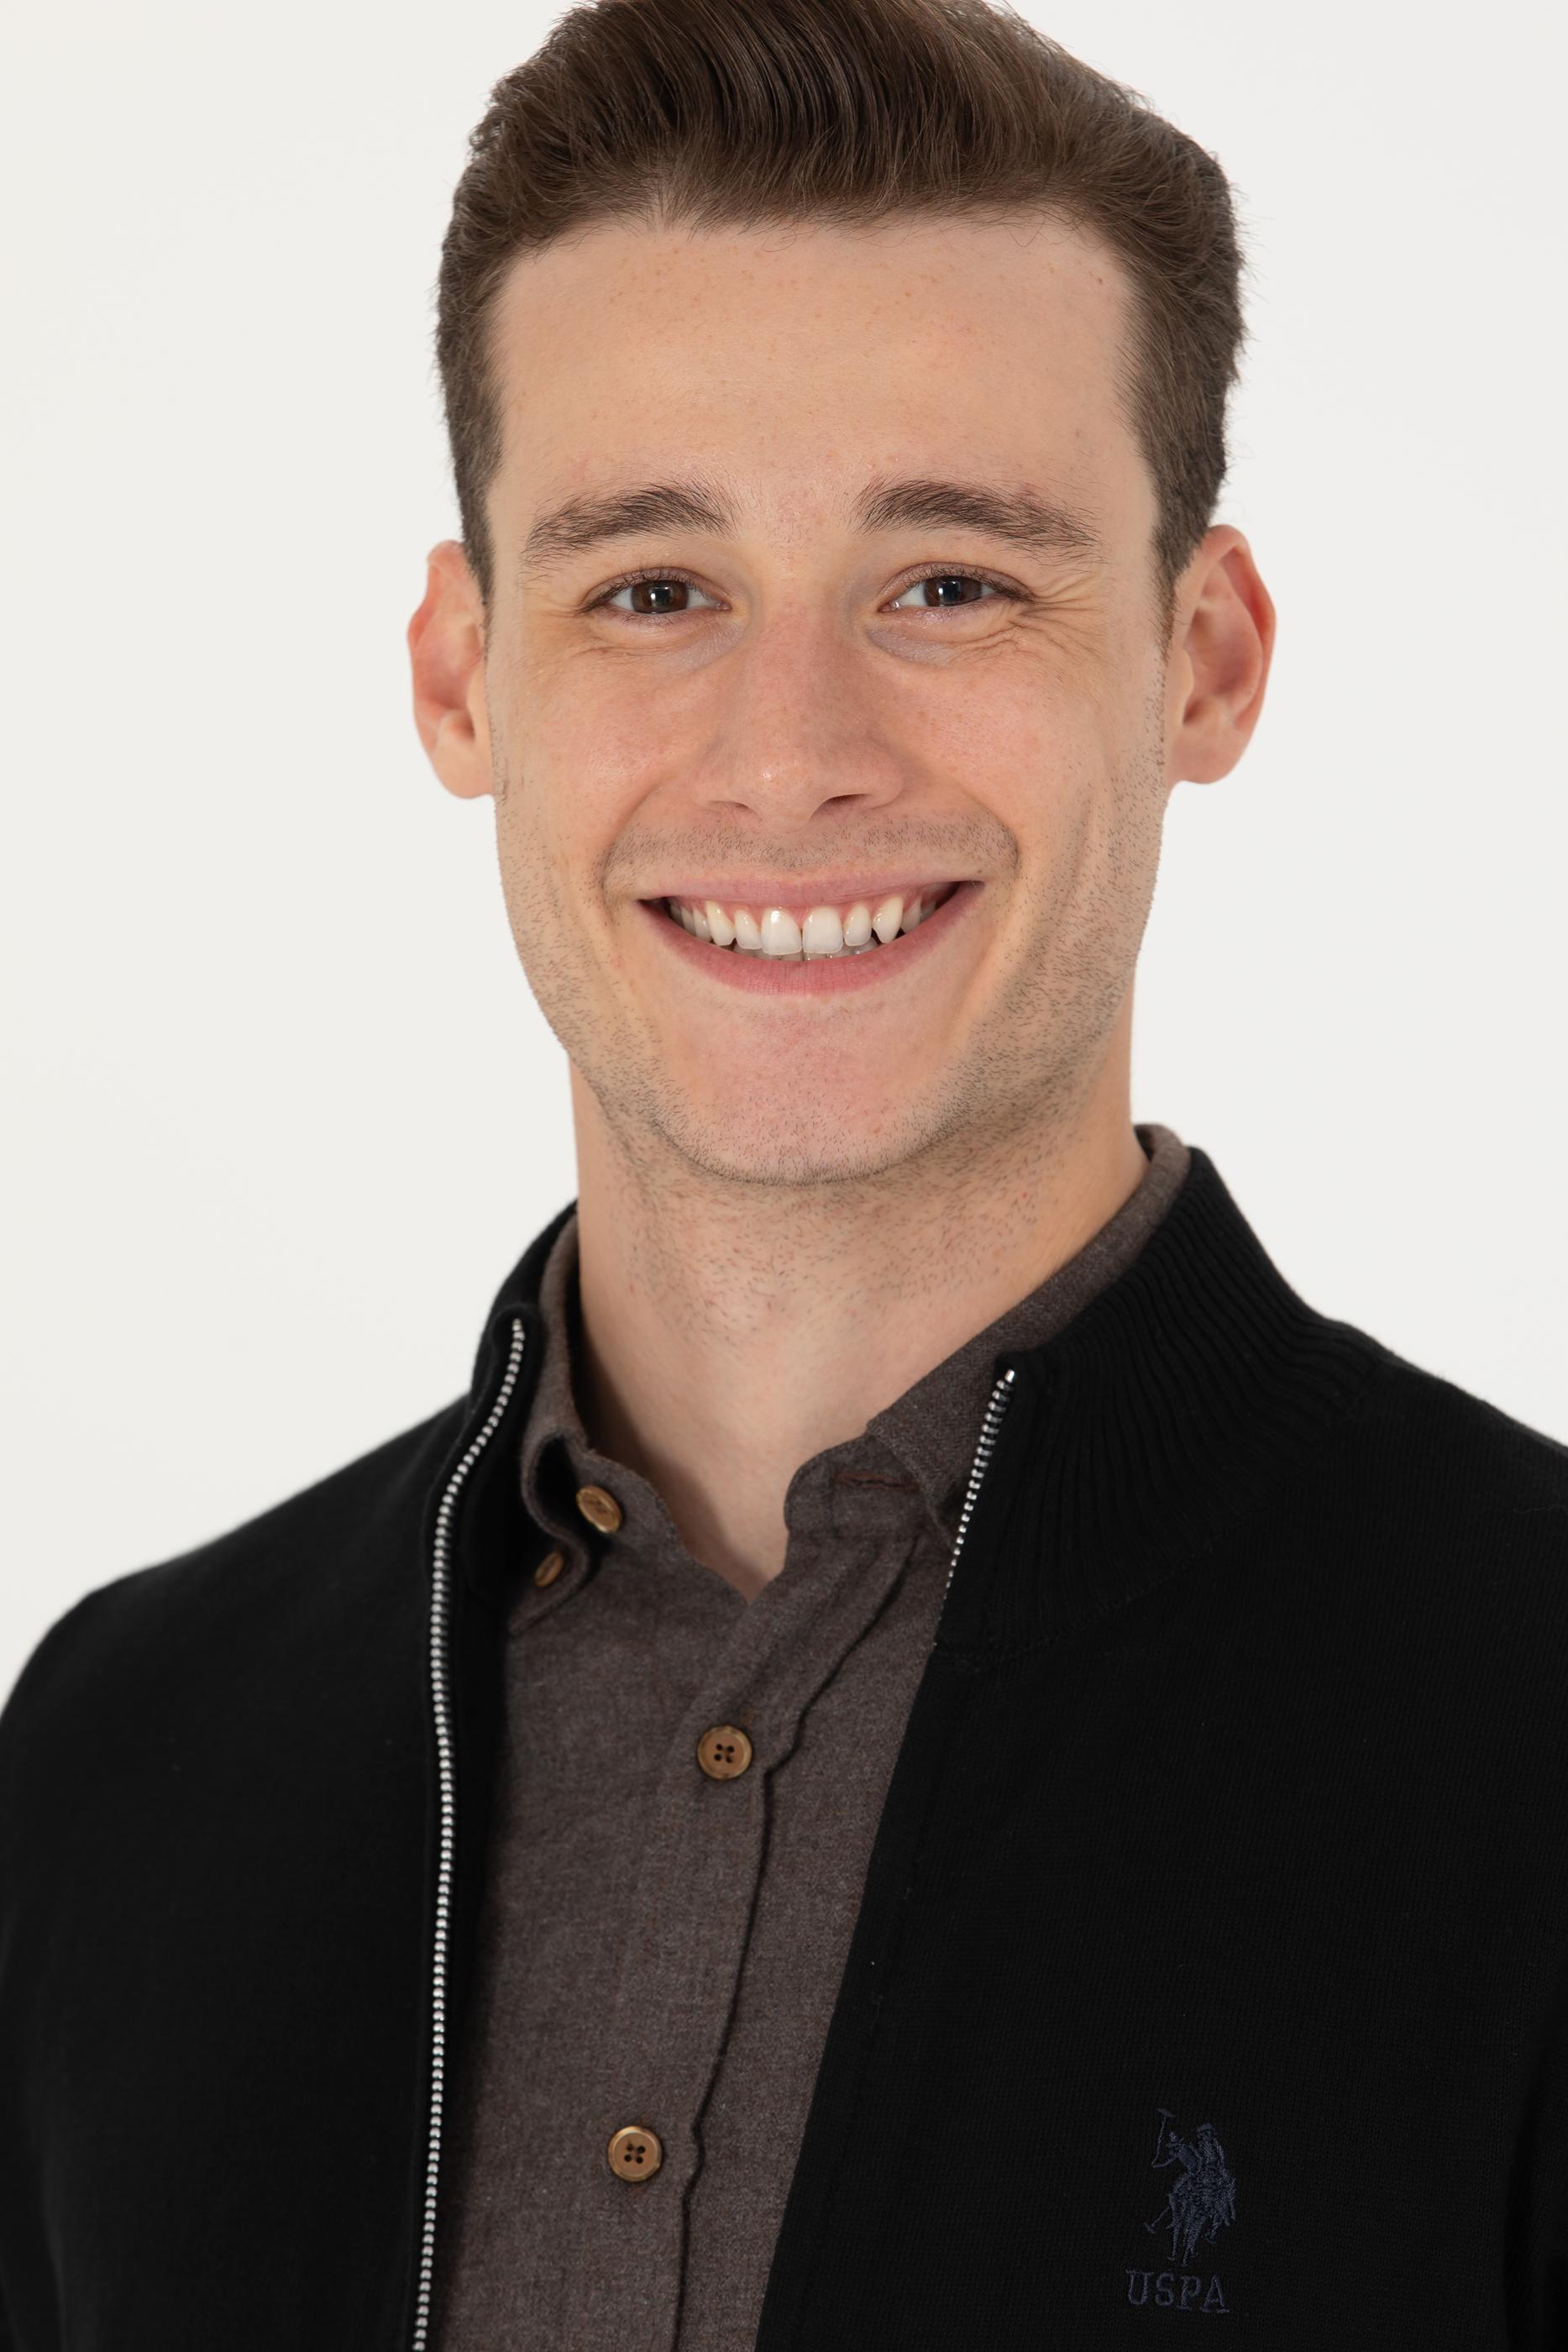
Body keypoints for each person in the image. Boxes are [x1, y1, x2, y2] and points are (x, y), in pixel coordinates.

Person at [1, 0, 1564, 2344]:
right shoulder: (121, 1758)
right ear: (463, 677)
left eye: (948, 582)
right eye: (653, 587)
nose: (790, 756)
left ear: (1202, 662)